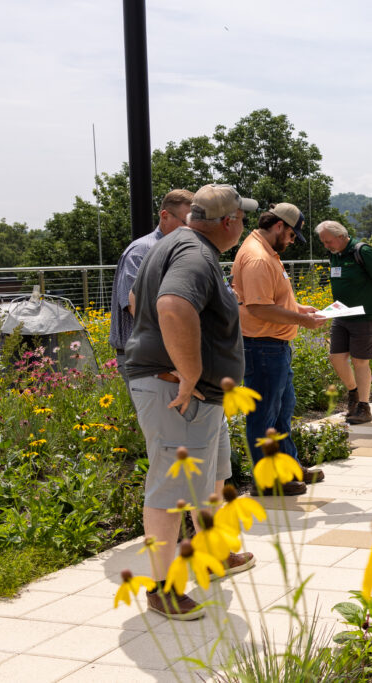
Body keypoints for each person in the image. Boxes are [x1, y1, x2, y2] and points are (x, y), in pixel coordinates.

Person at [125, 184, 257, 620]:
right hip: (181, 396)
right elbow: (172, 305)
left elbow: (135, 301)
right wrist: (189, 375)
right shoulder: (196, 254)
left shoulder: (177, 244)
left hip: (198, 397)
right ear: (229, 222)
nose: (244, 224)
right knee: (171, 489)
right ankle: (163, 589)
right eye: (244, 217)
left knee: (210, 481)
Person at [231, 203, 327, 494]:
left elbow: (269, 298)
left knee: (282, 411)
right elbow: (259, 307)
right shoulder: (259, 258)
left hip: (273, 345)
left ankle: (289, 468)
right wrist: (300, 319)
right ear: (278, 226)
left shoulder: (266, 252)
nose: (292, 241)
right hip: (263, 346)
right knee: (264, 416)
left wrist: (297, 308)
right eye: (292, 235)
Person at [109, 189, 193, 391]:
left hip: (167, 356)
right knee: (161, 422)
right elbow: (136, 307)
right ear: (165, 216)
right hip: (146, 358)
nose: (192, 229)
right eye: (186, 222)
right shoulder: (141, 251)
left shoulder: (179, 250)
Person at [315, 220, 372, 424]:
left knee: (360, 361)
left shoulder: (362, 251)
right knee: (336, 357)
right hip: (341, 315)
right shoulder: (335, 254)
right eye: (323, 242)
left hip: (365, 316)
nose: (326, 246)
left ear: (341, 236)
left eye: (328, 241)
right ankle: (353, 393)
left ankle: (364, 407)